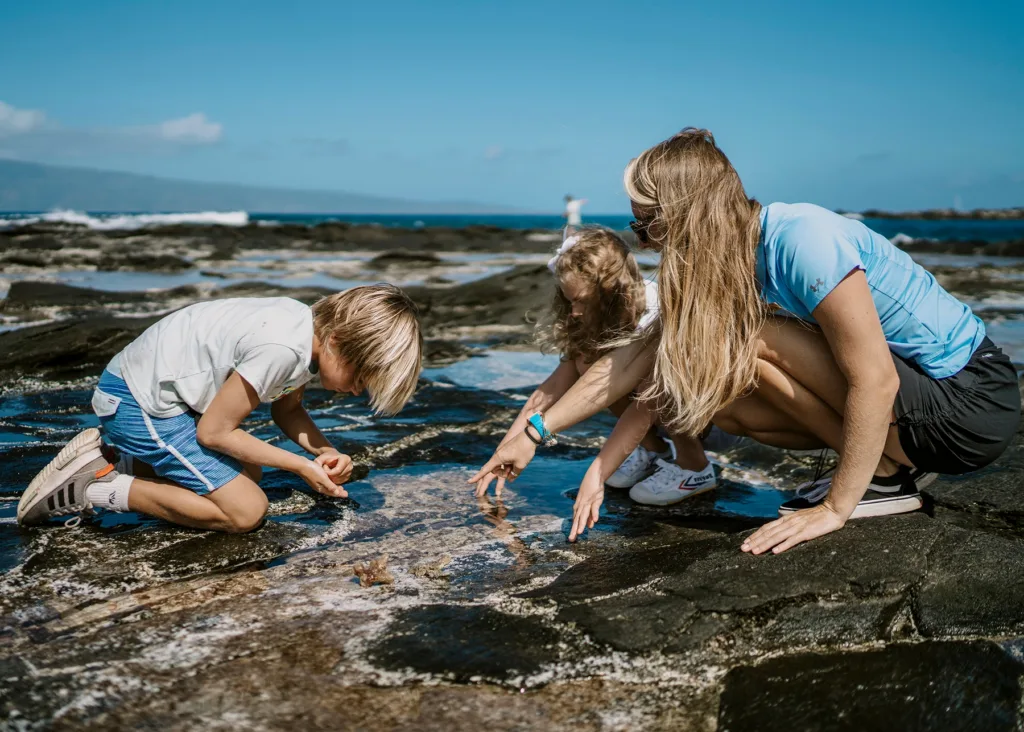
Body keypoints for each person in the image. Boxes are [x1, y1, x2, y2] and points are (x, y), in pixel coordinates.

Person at [471, 128, 1020, 553]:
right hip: (918, 407)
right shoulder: (725, 263)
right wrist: (534, 433)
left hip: (968, 404)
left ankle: (878, 482)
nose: (642, 241)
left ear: (685, 214)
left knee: (747, 334)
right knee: (720, 395)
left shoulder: (801, 239)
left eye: (645, 225)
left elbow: (873, 378)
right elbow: (639, 355)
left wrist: (835, 509)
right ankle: (881, 471)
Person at [18, 285, 423, 532]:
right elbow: (214, 434)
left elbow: (288, 411)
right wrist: (299, 466)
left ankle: (116, 464)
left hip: (153, 396)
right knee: (246, 510)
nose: (358, 390)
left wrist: (325, 452)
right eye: (363, 375)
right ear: (336, 340)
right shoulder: (282, 349)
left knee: (250, 471)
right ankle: (96, 488)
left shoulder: (301, 331)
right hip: (140, 404)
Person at [470, 227, 716, 510]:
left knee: (659, 375)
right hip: (656, 410)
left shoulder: (653, 313)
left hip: (700, 410)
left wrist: (597, 474)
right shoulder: (595, 318)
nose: (574, 311)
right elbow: (549, 392)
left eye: (581, 301)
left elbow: (647, 404)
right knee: (586, 362)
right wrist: (505, 450)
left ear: (611, 292)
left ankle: (695, 466)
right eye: (569, 300)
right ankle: (654, 452)